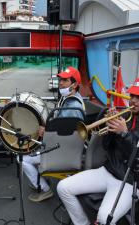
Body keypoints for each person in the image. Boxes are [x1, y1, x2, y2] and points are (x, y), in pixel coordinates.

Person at [57, 77, 139, 225]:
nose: (133, 101)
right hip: (108, 170)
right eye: (132, 96)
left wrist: (124, 134)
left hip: (130, 182)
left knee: (105, 218)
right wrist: (110, 128)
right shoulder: (125, 115)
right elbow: (106, 146)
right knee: (63, 187)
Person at [23, 66, 85, 202]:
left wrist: (46, 132)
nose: (60, 83)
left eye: (65, 80)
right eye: (60, 79)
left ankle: (45, 189)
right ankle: (40, 179)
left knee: (23, 159)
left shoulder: (72, 108)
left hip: (62, 152)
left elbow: (64, 136)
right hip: (62, 147)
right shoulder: (70, 98)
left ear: (74, 85)